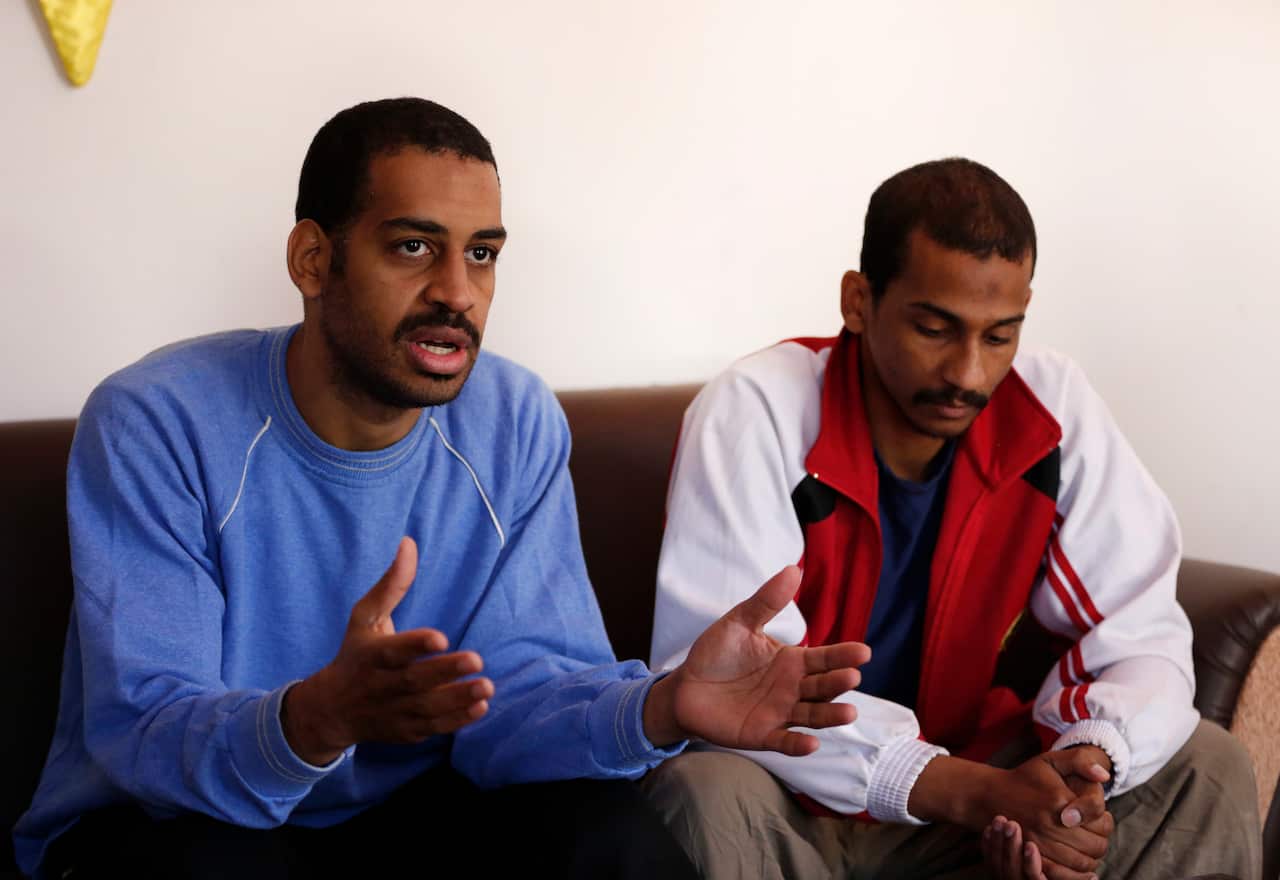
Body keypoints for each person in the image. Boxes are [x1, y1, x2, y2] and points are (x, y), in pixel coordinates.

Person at [12, 97, 871, 880]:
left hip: (408, 810)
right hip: (174, 823)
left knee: (605, 834)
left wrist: (659, 707)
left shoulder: (515, 418)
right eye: (413, 246)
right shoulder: (157, 420)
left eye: (483, 254)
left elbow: (522, 698)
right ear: (313, 259)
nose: (457, 292)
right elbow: (148, 734)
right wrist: (315, 718)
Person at [643, 158, 1261, 880]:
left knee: (1205, 765)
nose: (969, 372)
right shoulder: (756, 410)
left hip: (972, 790)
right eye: (935, 329)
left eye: (999, 336)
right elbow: (730, 688)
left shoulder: (1052, 407)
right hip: (790, 799)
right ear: (859, 301)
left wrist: (1077, 788)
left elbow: (1140, 630)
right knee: (701, 790)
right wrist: (970, 791)